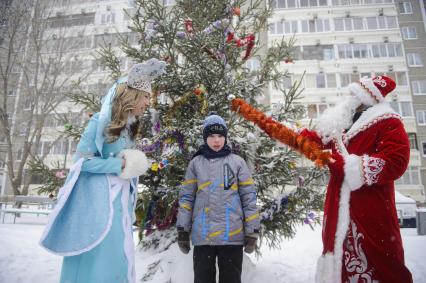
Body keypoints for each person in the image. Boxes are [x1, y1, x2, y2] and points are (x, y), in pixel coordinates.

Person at [40, 58, 166, 283]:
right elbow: (82, 163)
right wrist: (120, 164)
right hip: (99, 206)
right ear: (133, 95)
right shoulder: (100, 121)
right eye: (146, 96)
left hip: (120, 206)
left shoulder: (129, 129)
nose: (149, 102)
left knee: (117, 259)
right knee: (97, 262)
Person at [300, 75, 413, 283]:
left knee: (379, 262)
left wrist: (353, 168)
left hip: (370, 209)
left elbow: (396, 161)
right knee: (339, 260)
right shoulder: (344, 123)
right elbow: (317, 142)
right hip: (338, 207)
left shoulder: (388, 121)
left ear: (367, 97)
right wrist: (290, 135)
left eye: (355, 93)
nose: (350, 96)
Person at [176, 112, 260, 283]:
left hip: (232, 236)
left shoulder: (237, 162)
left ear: (225, 137)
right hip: (203, 237)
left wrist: (252, 232)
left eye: (220, 136)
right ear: (205, 138)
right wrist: (183, 230)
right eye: (212, 136)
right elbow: (187, 198)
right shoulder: (196, 163)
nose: (216, 141)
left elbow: (248, 198)